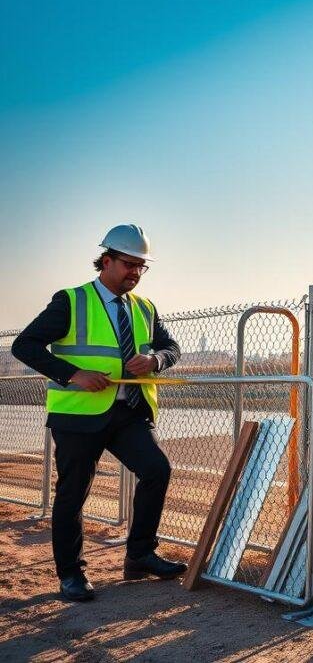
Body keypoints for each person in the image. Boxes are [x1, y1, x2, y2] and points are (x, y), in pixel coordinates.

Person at [11, 224, 185, 602]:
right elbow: (25, 345)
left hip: (128, 413)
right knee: (73, 493)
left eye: (142, 266)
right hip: (78, 416)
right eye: (129, 264)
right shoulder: (71, 301)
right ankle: (71, 574)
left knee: (157, 470)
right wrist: (73, 374)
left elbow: (171, 347)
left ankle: (139, 555)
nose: (135, 273)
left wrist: (155, 359)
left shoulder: (144, 308)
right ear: (106, 261)